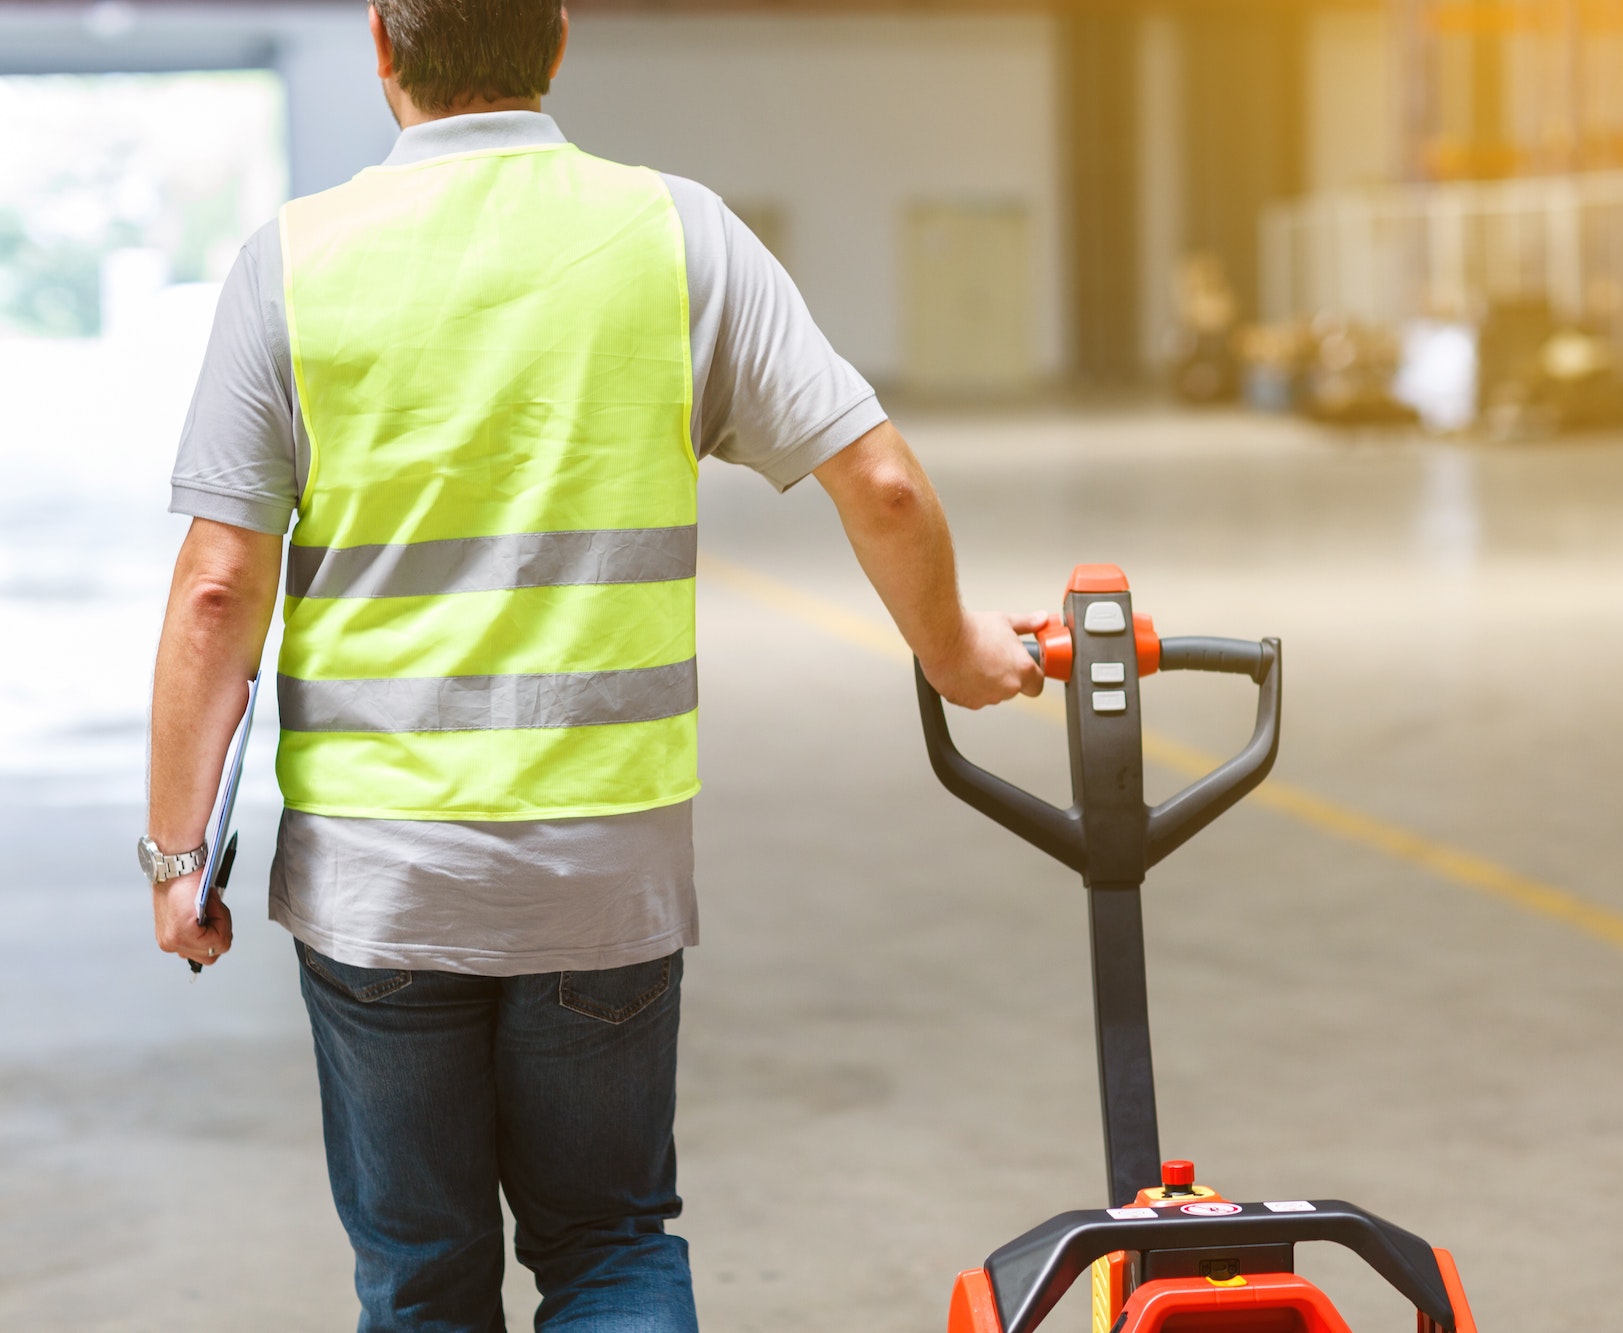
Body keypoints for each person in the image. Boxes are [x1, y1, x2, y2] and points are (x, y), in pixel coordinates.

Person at [141, 1, 1043, 1327]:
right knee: (612, 1243)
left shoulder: (292, 262)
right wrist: (957, 649)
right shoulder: (677, 235)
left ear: (384, 50)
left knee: (421, 1273)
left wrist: (178, 860)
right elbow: (886, 485)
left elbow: (220, 587)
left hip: (382, 877)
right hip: (604, 868)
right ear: (557, 42)